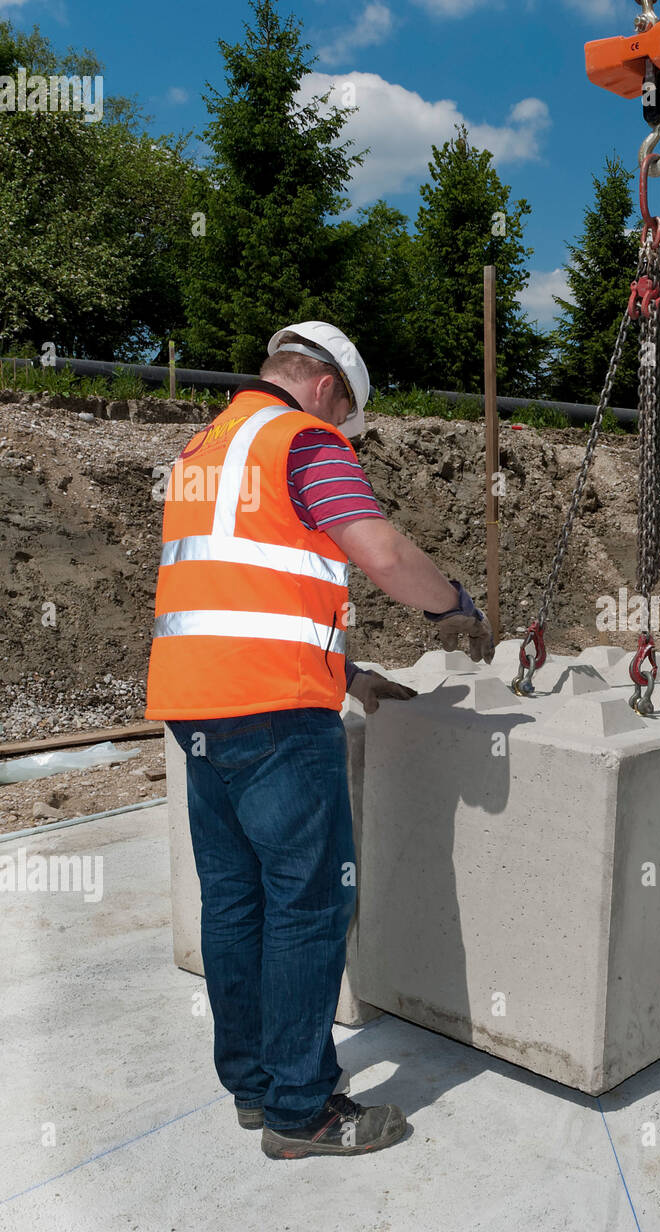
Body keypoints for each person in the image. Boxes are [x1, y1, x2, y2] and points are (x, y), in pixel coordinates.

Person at [145, 320, 495, 1157]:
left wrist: (349, 674)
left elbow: (237, 595)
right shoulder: (302, 439)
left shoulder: (205, 447)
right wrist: (453, 604)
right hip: (274, 715)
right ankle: (304, 1111)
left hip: (200, 709)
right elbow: (381, 550)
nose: (343, 433)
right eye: (347, 418)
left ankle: (256, 1087)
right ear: (331, 388)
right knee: (310, 901)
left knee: (235, 899)